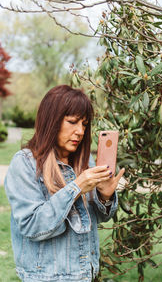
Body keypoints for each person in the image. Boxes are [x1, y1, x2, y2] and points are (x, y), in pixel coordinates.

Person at [4, 85, 125, 282]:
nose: (80, 131)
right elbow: (32, 226)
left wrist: (105, 196)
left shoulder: (85, 162)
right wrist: (76, 188)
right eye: (72, 122)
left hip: (86, 275)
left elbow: (98, 219)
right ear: (51, 121)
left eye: (84, 124)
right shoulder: (25, 163)